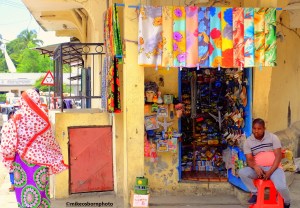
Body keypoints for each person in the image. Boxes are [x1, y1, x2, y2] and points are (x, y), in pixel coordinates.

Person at [0, 89, 68, 208]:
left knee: (24, 195)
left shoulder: (17, 119)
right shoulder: (44, 118)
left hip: (21, 163)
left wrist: (9, 158)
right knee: (40, 193)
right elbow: (50, 141)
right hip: (41, 163)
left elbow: (7, 142)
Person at [238, 118, 291, 208]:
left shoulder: (273, 137)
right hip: (259, 169)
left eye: (259, 129)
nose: (256, 131)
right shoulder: (248, 142)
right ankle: (255, 193)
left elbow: (278, 156)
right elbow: (249, 159)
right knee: (242, 172)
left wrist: (270, 172)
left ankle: (287, 201)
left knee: (281, 187)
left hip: (274, 168)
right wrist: (256, 167)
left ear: (264, 129)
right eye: (254, 128)